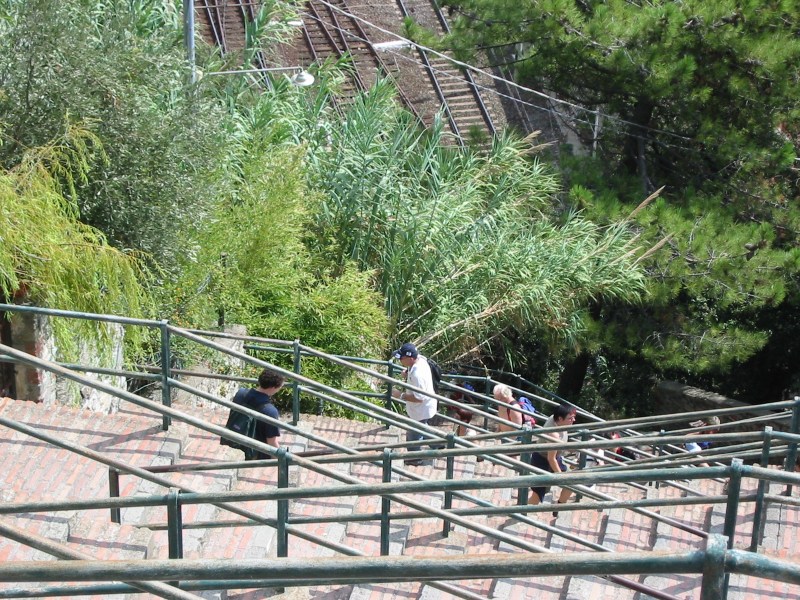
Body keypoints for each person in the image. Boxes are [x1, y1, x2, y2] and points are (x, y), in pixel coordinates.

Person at [391, 342, 439, 466]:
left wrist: (400, 395)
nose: (400, 360)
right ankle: (439, 445)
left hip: (421, 409)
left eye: (402, 358)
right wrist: (407, 371)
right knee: (423, 429)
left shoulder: (418, 374)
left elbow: (420, 397)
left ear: (410, 358)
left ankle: (415, 458)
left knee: (413, 434)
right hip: (424, 408)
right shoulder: (420, 360)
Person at [528, 403, 577, 516]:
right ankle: (522, 513)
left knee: (572, 483)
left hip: (555, 457)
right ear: (560, 419)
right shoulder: (554, 435)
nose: (573, 420)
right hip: (542, 460)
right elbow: (551, 459)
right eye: (570, 418)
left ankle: (558, 507)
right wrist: (560, 478)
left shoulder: (556, 418)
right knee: (537, 495)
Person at [226, 369, 285, 459]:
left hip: (236, 439)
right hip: (256, 452)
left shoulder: (240, 393)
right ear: (273, 388)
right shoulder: (270, 411)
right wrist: (281, 460)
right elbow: (272, 442)